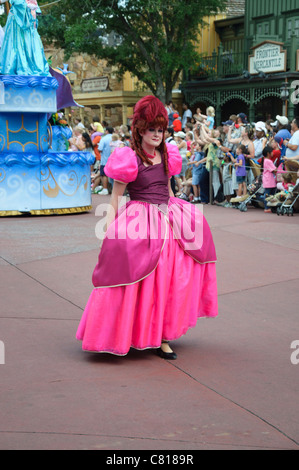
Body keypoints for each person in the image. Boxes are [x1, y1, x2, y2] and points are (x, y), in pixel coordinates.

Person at [76, 95, 218, 360]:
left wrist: (174, 218)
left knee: (169, 279)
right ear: (140, 129)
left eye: (160, 129)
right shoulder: (128, 158)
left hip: (167, 217)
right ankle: (128, 332)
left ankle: (163, 336)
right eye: (151, 129)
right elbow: (115, 199)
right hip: (140, 219)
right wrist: (108, 230)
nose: (157, 134)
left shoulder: (168, 156)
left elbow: (167, 190)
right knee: (135, 274)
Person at [0, 0, 50, 76]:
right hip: (17, 19)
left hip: (28, 19)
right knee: (16, 44)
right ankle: (18, 68)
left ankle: (29, 67)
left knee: (30, 43)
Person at [97, 126, 114, 195]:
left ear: (107, 131)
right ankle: (113, 189)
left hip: (105, 159)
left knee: (104, 174)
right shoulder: (115, 138)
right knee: (114, 175)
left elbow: (100, 149)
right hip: (114, 159)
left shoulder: (104, 139)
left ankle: (105, 189)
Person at [262, 145, 277, 213]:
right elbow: (274, 170)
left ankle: (268, 207)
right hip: (269, 180)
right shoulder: (268, 161)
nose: (272, 153)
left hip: (267, 179)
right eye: (271, 152)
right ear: (268, 153)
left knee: (268, 193)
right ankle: (267, 207)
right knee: (269, 194)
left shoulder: (265, 160)